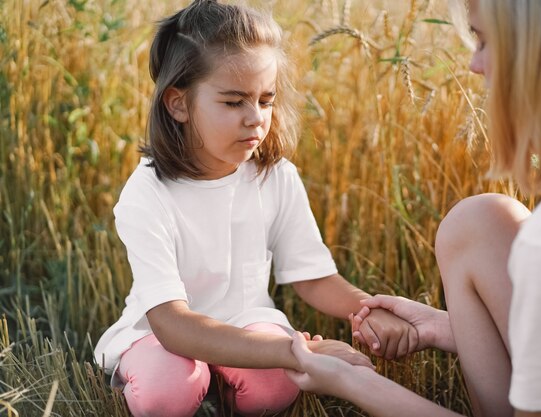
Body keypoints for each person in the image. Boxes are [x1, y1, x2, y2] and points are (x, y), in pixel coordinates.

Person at [286, 0, 541, 416]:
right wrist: (447, 327)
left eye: (483, 41)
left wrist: (354, 382)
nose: (473, 65)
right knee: (478, 223)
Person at [93, 1, 420, 416]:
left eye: (266, 100)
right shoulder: (146, 194)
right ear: (177, 104)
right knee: (165, 394)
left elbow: (314, 278)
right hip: (161, 336)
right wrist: (295, 349)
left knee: (272, 391)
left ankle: (224, 394)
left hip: (247, 321)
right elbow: (173, 324)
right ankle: (193, 384)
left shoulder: (276, 176)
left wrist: (371, 310)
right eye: (233, 102)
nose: (256, 119)